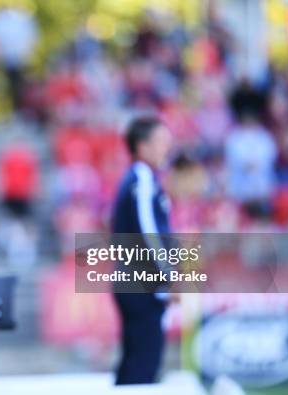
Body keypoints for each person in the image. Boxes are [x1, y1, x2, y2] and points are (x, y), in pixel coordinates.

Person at [111, 116, 172, 385]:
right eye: (161, 141)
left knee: (134, 362)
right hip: (140, 283)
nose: (166, 148)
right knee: (144, 364)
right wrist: (168, 276)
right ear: (142, 146)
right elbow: (149, 233)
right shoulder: (142, 178)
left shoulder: (139, 179)